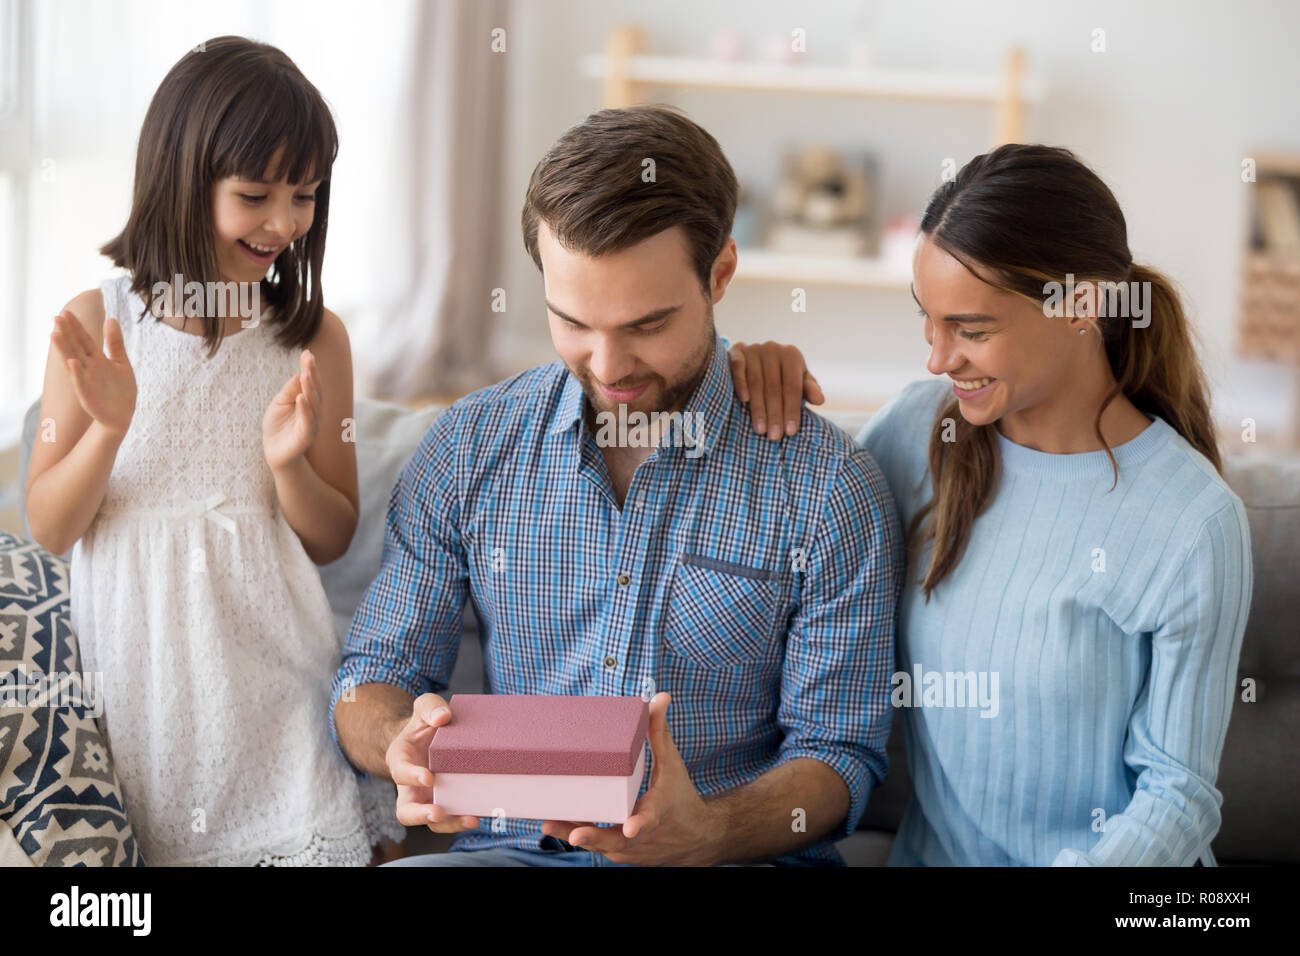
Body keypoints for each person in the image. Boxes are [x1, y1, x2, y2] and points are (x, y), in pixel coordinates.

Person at [330, 104, 903, 866]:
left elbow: (838, 754)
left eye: (646, 325)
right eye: (573, 322)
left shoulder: (826, 485)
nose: (607, 367)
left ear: (721, 274)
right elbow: (371, 677)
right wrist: (399, 743)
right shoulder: (469, 448)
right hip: (512, 852)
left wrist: (710, 831)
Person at [728, 143, 1252, 865]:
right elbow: (768, 531)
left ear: (1082, 306)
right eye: (929, 321)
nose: (938, 358)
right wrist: (746, 372)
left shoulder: (1193, 522)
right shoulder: (916, 433)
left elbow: (1178, 794)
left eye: (972, 331)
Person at [24, 36, 402, 865]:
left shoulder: (312, 339)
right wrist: (110, 429)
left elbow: (330, 536)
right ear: (181, 179)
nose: (284, 223)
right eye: (255, 194)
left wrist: (287, 466)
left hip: (270, 671)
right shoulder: (97, 322)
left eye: (304, 196)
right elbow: (51, 526)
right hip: (139, 678)